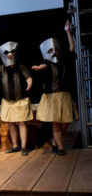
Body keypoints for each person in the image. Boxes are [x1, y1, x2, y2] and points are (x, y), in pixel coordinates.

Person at [32, 20, 77, 156]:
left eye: (56, 49)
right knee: (56, 123)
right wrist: (38, 68)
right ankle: (61, 148)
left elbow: (72, 48)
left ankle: (54, 142)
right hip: (52, 96)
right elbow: (43, 66)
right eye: (51, 50)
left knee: (66, 122)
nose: (54, 52)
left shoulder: (63, 60)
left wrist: (67, 31)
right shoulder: (46, 63)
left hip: (64, 95)